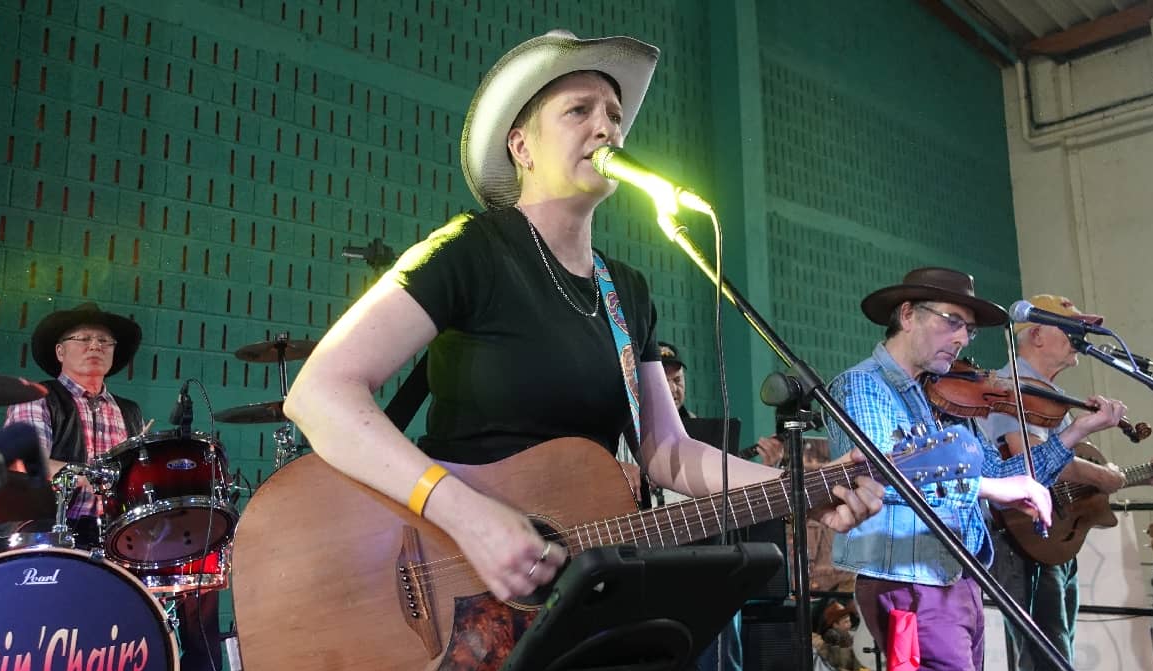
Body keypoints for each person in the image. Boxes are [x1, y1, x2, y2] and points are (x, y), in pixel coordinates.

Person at [287, 28, 883, 626]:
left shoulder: (626, 291)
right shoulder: (469, 250)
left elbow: (667, 450)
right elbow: (318, 394)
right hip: (451, 581)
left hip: (572, 593)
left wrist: (796, 486)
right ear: (521, 146)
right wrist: (467, 515)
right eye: (579, 111)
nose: (608, 129)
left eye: (615, 115)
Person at [824, 268, 1125, 671]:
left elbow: (1003, 471)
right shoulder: (863, 385)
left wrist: (1074, 433)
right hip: (907, 584)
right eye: (952, 321)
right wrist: (991, 486)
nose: (964, 337)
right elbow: (883, 477)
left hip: (962, 581)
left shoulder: (946, 398)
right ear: (907, 315)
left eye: (969, 328)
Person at [3, 303, 227, 671]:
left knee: (199, 576)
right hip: (56, 530)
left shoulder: (128, 411)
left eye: (104, 341)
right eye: (84, 339)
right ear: (60, 351)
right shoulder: (37, 398)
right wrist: (90, 475)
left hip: (116, 534)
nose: (95, 346)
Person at [974, 294, 1133, 671]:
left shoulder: (1052, 395)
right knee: (1048, 664)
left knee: (1055, 660)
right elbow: (1030, 461)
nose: (1079, 337)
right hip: (1021, 538)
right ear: (1037, 334)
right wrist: (1102, 475)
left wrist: (1129, 474)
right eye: (1071, 328)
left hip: (1055, 540)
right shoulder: (1012, 389)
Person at [655, 340, 783, 671]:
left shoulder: (709, 436)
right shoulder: (632, 433)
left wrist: (774, 469)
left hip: (709, 559)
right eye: (664, 381)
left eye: (678, 380)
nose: (674, 387)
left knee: (724, 662)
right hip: (655, 558)